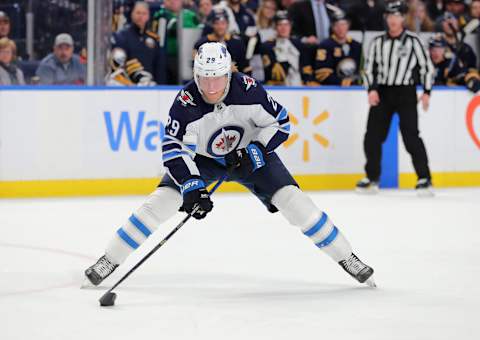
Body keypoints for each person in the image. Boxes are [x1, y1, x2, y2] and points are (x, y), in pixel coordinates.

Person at [84, 42, 375, 289]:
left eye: (218, 78)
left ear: (229, 72)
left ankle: (347, 257)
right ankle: (109, 259)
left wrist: (256, 150)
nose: (211, 87)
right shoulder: (185, 102)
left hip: (251, 157)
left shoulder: (248, 91)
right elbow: (174, 148)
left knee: (295, 203)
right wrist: (192, 186)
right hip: (203, 162)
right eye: (204, 78)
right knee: (160, 203)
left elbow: (282, 123)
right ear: (196, 74)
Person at [359, 0, 434, 195]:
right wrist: (371, 90)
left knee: (411, 136)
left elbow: (427, 67)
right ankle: (372, 178)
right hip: (382, 92)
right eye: (390, 16)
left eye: (397, 16)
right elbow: (368, 69)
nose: (393, 20)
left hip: (406, 92)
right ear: (386, 18)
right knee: (372, 136)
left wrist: (426, 92)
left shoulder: (413, 40)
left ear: (403, 18)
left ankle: (424, 178)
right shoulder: (377, 43)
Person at [112, 1, 167, 84]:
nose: (141, 16)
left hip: (150, 85)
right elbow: (118, 65)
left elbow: (159, 68)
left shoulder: (154, 39)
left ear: (148, 16)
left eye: (144, 13)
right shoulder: (121, 36)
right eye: (138, 13)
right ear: (132, 14)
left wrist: (160, 87)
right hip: (128, 86)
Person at [151, 0, 200, 84]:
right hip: (164, 56)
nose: (172, 1)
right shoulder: (159, 15)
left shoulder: (190, 16)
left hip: (186, 57)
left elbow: (198, 34)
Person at [261, 11, 314, 85]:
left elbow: (306, 68)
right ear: (275, 27)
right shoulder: (267, 46)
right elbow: (272, 73)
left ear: (290, 26)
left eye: (286, 24)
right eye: (280, 25)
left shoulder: (299, 44)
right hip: (277, 87)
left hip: (299, 86)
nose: (283, 28)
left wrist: (308, 82)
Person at [313, 10, 362, 86]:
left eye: (343, 24)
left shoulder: (356, 45)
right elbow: (321, 74)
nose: (341, 28)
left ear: (348, 25)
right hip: (333, 90)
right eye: (337, 25)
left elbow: (362, 69)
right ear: (332, 27)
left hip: (355, 89)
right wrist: (342, 82)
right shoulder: (325, 46)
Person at [194, 9, 251, 74]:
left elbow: (246, 68)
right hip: (210, 80)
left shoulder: (238, 43)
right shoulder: (202, 44)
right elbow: (196, 69)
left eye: (223, 23)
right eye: (217, 23)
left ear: (228, 24)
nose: (220, 27)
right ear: (212, 25)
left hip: (234, 80)